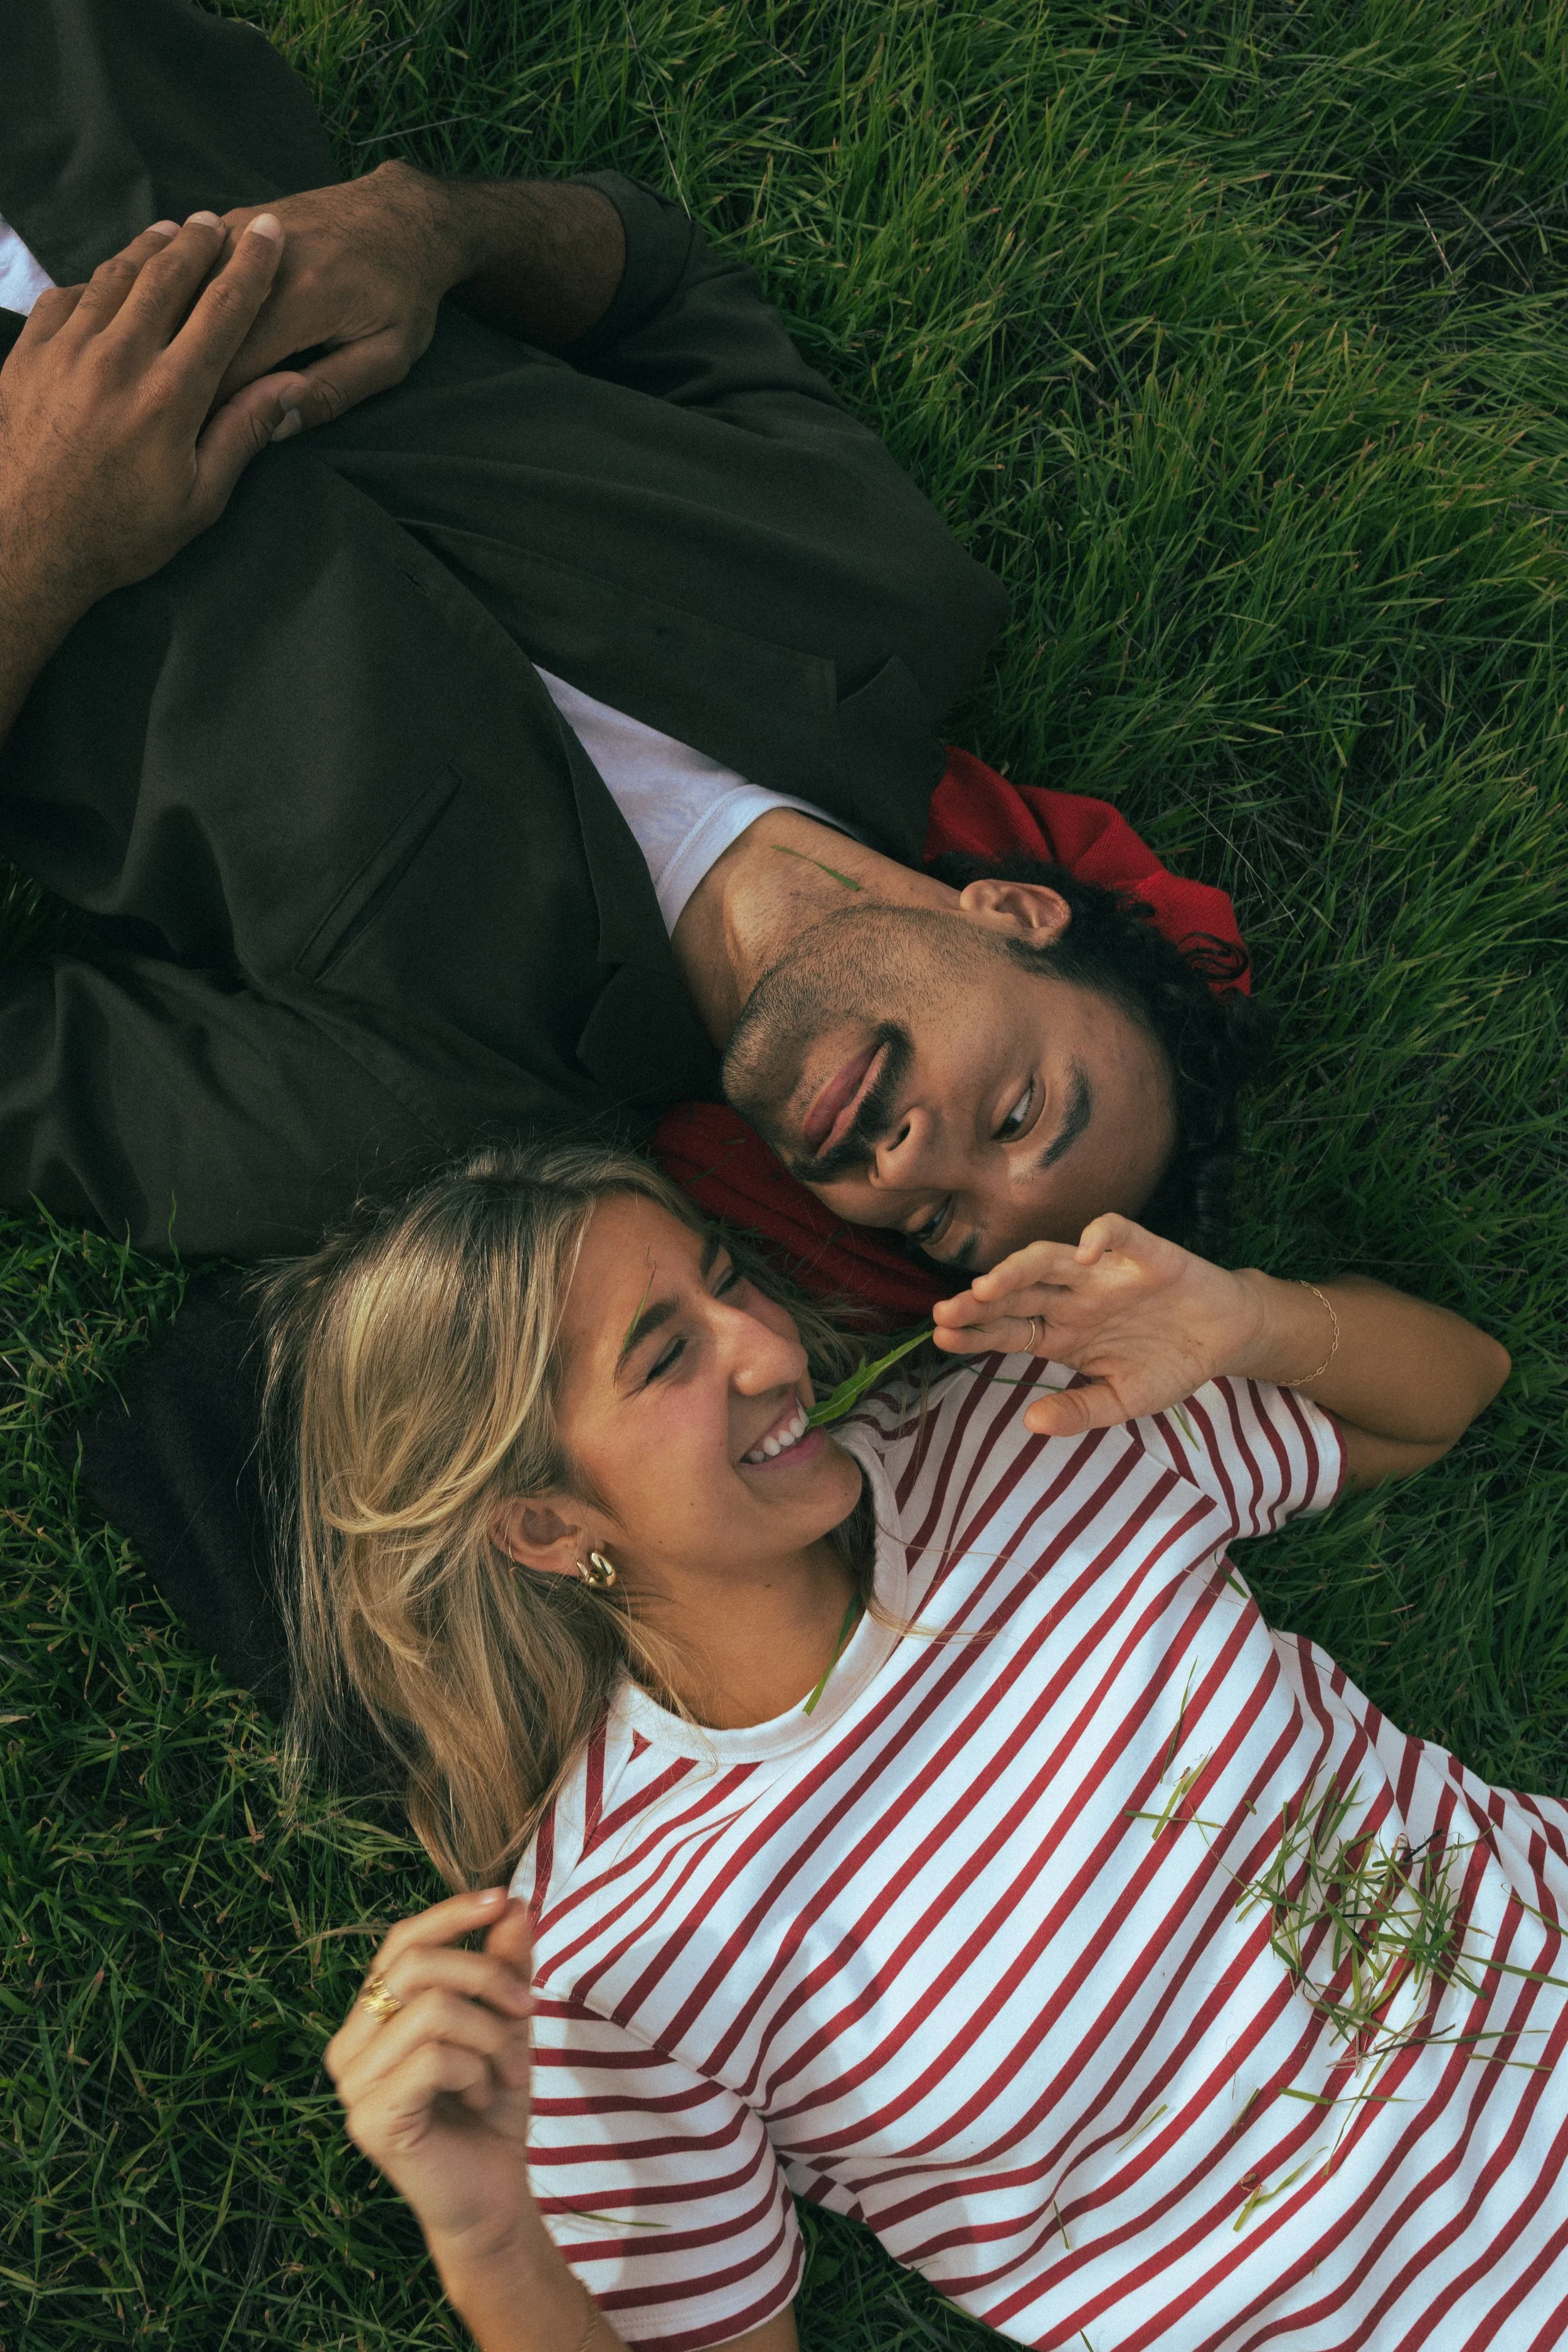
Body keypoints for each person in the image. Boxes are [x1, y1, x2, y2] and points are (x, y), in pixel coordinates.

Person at [0, 0, 1259, 1286]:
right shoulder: (886, 597)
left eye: (941, 1229)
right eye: (1016, 1118)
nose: (908, 1171)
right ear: (1013, 911)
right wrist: (436, 232)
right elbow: (663, 281)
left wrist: (34, 539)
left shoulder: (430, 1113)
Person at [256, 1138, 1555, 2352]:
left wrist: (1244, 1320)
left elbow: (1441, 1396)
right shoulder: (608, 1949)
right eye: (665, 1358)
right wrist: (489, 2243)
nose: (765, 1348)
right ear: (542, 1525)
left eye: (725, 1280)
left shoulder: (1027, 1439)